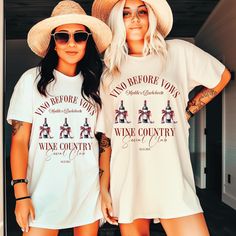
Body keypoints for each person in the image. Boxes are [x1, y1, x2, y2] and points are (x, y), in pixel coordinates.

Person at [92, 0, 231, 235]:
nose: (134, 18)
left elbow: (222, 77)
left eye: (141, 11)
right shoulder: (108, 71)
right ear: (117, 20)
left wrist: (187, 112)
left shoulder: (177, 52)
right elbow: (106, 137)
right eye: (126, 13)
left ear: (151, 17)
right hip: (128, 179)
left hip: (172, 176)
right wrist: (104, 190)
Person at [7, 0, 112, 235]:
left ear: (88, 42)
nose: (71, 43)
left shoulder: (98, 85)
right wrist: (20, 194)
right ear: (53, 43)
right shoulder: (30, 81)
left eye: (80, 37)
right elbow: (20, 142)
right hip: (42, 193)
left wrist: (104, 191)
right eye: (63, 37)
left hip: (87, 191)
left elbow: (104, 142)